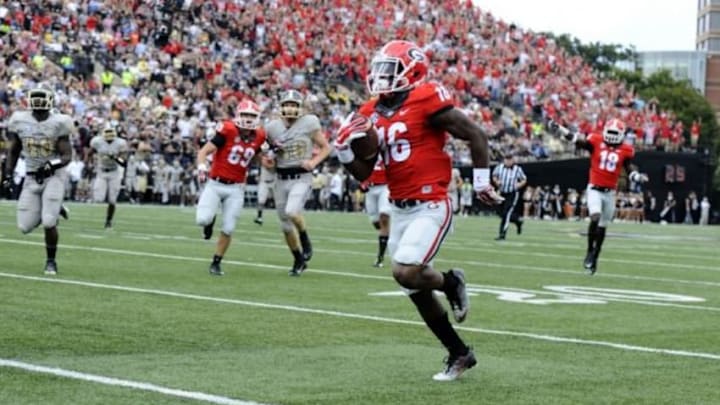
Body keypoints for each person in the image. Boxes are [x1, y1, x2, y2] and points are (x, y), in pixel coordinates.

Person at [333, 40, 503, 381]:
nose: (381, 78)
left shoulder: (425, 97)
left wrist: (482, 181)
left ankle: (452, 281)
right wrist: (344, 152)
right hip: (399, 207)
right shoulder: (370, 111)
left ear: (412, 71)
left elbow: (475, 134)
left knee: (406, 271)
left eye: (389, 71)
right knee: (414, 289)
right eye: (379, 70)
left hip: (432, 203)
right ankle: (459, 352)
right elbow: (367, 175)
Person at [550, 118, 648, 274]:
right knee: (595, 217)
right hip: (594, 189)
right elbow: (577, 140)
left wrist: (637, 177)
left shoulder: (625, 150)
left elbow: (629, 168)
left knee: (602, 227)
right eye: (611, 132)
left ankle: (596, 255)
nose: (613, 135)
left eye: (616, 133)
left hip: (610, 193)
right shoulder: (596, 141)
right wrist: (561, 129)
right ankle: (589, 251)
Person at [1, 86, 74, 275]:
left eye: (43, 98)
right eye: (37, 98)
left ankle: (51, 262)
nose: (39, 102)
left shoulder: (59, 122)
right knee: (24, 226)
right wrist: (7, 175)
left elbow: (67, 155)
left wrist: (52, 164)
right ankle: (56, 207)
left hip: (53, 176)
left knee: (49, 222)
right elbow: (14, 150)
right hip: (32, 176)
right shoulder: (19, 120)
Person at [195, 100, 267, 276]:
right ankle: (210, 221)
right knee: (203, 220)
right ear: (238, 116)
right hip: (216, 183)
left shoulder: (260, 136)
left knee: (228, 228)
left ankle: (216, 262)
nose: (248, 119)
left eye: (252, 115)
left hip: (236, 188)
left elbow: (258, 158)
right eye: (245, 115)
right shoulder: (227, 130)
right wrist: (202, 167)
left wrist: (270, 159)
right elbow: (203, 152)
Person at [265, 90, 331, 276]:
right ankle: (298, 260)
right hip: (280, 178)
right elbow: (266, 154)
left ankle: (305, 237)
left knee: (292, 211)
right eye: (287, 104)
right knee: (285, 227)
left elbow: (326, 147)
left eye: (294, 105)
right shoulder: (272, 127)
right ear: (281, 106)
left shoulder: (309, 122)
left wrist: (313, 162)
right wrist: (267, 161)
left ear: (300, 107)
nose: (290, 108)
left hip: (301, 176)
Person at [88, 126, 128, 229]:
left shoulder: (120, 143)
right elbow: (89, 152)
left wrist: (115, 158)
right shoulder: (97, 141)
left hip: (114, 172)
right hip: (101, 171)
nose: (109, 139)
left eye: (111, 138)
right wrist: (89, 164)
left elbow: (124, 163)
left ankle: (108, 221)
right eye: (107, 138)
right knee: (99, 199)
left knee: (112, 200)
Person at [361, 156, 391, 267]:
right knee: (375, 221)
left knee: (384, 215)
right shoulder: (367, 150)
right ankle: (387, 236)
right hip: (370, 188)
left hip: (385, 186)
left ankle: (380, 258)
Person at [491, 153, 527, 240]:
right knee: (501, 213)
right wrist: (497, 182)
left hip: (512, 193)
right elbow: (494, 176)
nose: (507, 161)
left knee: (507, 213)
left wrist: (519, 185)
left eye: (509, 159)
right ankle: (518, 221)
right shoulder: (499, 167)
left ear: (512, 160)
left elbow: (524, 179)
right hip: (502, 193)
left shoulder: (517, 169)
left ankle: (502, 234)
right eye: (506, 159)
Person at [254, 155, 276, 225]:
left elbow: (271, 166)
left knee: (279, 201)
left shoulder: (276, 159)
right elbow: (266, 166)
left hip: (274, 181)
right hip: (264, 182)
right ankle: (259, 217)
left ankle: (285, 217)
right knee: (261, 201)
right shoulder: (263, 158)